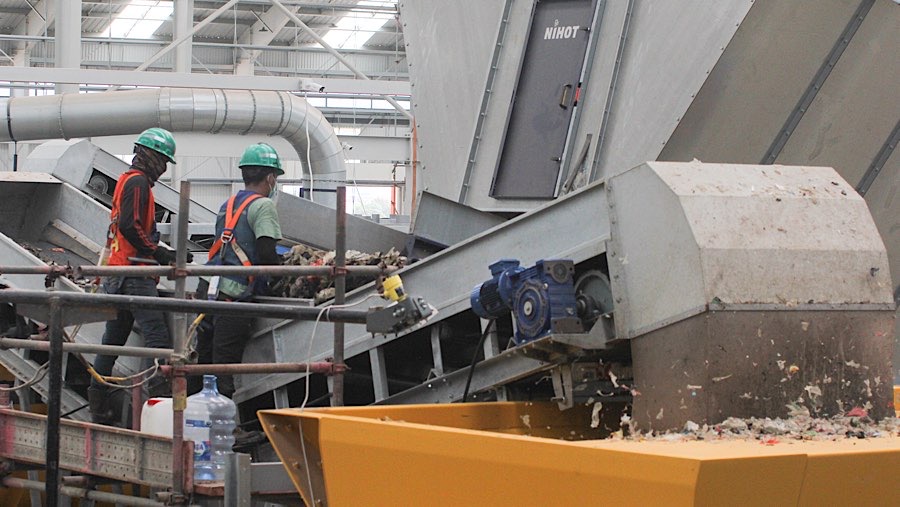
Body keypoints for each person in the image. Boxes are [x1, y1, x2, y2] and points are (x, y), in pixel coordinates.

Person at [89, 127, 179, 425]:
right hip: (134, 273)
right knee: (157, 337)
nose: (164, 168)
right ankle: (162, 402)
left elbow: (128, 227)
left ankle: (98, 405)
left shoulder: (128, 181)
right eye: (163, 161)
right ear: (150, 157)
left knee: (112, 340)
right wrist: (159, 252)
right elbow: (131, 225)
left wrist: (159, 251)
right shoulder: (139, 182)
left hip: (119, 270)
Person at [196, 142, 284, 398]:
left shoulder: (228, 203)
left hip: (208, 289)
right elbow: (267, 254)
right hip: (233, 295)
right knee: (225, 364)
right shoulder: (264, 206)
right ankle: (224, 428)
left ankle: (195, 421)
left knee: (203, 363)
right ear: (270, 177)